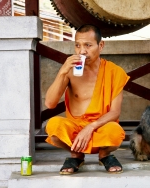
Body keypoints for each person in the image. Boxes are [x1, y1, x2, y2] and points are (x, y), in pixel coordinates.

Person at [45, 24, 130, 175]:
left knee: (115, 132)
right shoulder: (70, 70)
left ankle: (104, 154)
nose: (82, 51)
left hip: (100, 129)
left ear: (101, 45)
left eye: (88, 45)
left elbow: (115, 112)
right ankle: (76, 155)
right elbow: (50, 103)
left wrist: (90, 127)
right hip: (75, 131)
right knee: (53, 126)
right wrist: (62, 72)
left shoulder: (114, 72)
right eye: (77, 45)